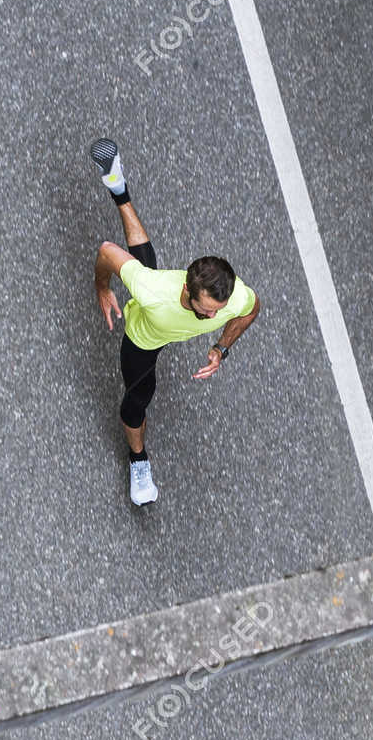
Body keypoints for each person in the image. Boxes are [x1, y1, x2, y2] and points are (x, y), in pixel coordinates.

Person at [89, 139, 260, 505]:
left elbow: (251, 308)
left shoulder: (234, 299)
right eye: (208, 310)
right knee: (137, 399)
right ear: (188, 291)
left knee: (144, 265)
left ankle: (118, 184)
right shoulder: (154, 293)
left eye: (219, 309)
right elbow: (107, 251)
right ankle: (139, 460)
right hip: (145, 337)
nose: (215, 317)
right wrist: (103, 288)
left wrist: (221, 347)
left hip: (162, 303)